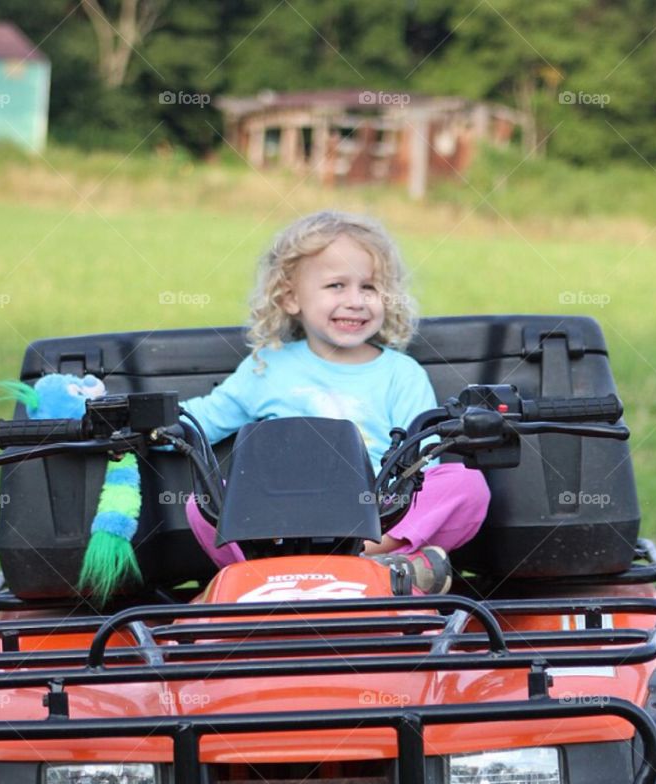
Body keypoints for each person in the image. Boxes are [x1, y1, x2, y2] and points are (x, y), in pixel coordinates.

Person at [181, 210, 489, 593]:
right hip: (276, 521)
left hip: (377, 515)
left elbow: (423, 458)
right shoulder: (267, 366)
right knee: (202, 501)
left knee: (464, 484)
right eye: (336, 286)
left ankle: (361, 561)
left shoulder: (401, 373)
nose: (356, 301)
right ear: (291, 297)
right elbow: (200, 422)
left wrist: (387, 507)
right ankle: (382, 573)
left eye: (370, 288)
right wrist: (122, 413)